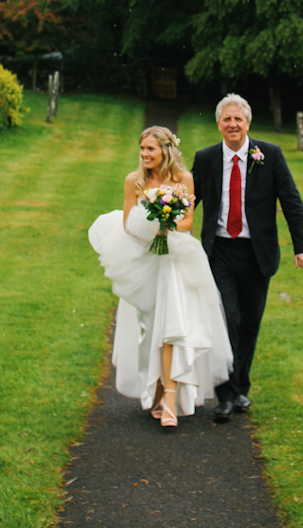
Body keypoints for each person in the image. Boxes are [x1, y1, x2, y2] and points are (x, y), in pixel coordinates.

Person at [88, 126, 232, 429]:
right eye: (142, 149)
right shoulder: (133, 181)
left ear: (165, 150)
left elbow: (190, 218)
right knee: (148, 329)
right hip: (145, 259)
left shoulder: (183, 179)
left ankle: (170, 397)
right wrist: (153, 228)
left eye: (150, 149)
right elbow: (128, 222)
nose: (144, 155)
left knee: (172, 326)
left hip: (176, 260)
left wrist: (169, 225)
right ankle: (154, 392)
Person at [192, 94, 303, 422]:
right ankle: (225, 395)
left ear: (248, 123)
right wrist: (163, 230)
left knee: (250, 322)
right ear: (218, 124)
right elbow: (189, 202)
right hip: (218, 253)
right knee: (226, 319)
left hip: (256, 254)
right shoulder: (205, 158)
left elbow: (291, 200)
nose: (233, 124)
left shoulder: (269, 155)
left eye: (238, 119)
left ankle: (241, 387)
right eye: (226, 119)